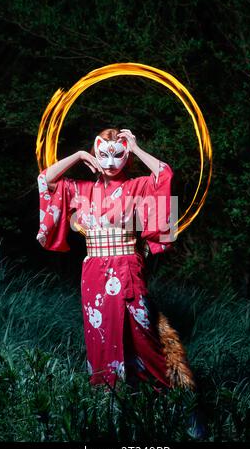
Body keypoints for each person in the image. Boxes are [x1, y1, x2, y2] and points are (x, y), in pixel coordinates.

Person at [36, 127, 195, 396]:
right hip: (94, 271)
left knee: (143, 331)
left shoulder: (137, 186)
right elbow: (45, 180)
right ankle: (110, 396)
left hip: (128, 266)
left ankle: (169, 393)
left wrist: (136, 148)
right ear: (96, 153)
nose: (110, 163)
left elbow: (165, 175)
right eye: (103, 154)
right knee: (100, 333)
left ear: (126, 157)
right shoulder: (81, 189)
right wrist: (77, 155)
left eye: (118, 154)